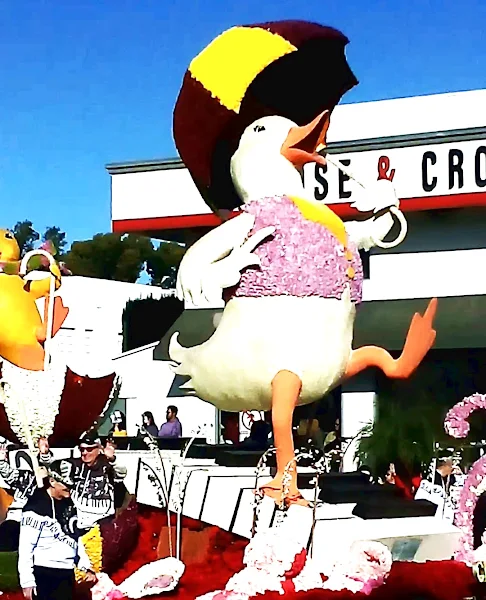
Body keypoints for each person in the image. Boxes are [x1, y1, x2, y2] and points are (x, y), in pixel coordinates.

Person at [18, 460, 96, 600]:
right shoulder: (35, 507)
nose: (70, 487)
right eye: (66, 484)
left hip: (67, 573)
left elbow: (75, 537)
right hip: (44, 574)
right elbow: (25, 547)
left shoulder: (69, 504)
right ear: (52, 481)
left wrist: (86, 566)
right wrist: (27, 581)